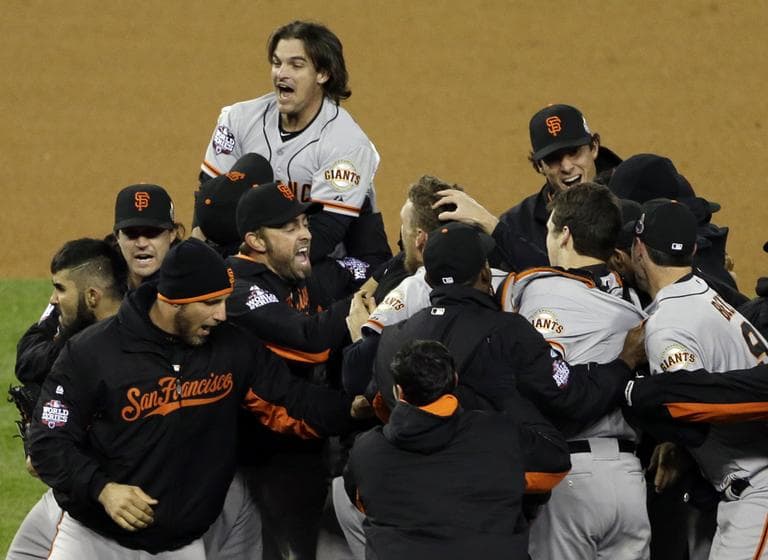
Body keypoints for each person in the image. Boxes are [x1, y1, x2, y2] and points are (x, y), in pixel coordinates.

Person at [27, 238, 355, 559]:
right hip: (95, 542)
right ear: (173, 301)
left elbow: (293, 403)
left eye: (224, 301)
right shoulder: (92, 351)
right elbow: (47, 442)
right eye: (210, 303)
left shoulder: (232, 348)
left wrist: (354, 409)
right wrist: (102, 489)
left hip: (180, 546)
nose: (222, 315)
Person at [500, 183, 649, 560]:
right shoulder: (636, 305)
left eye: (550, 229)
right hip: (630, 478)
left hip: (569, 479)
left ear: (564, 234)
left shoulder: (538, 291)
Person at [225, 182, 372, 559]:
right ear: (256, 241)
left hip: (311, 441)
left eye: (304, 223)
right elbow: (311, 341)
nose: (305, 234)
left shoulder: (299, 274)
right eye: (289, 228)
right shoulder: (240, 289)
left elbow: (365, 266)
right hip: (262, 461)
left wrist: (398, 267)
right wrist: (364, 297)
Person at [343, 340, 571, 560]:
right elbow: (556, 463)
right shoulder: (499, 434)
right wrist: (508, 396)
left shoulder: (366, 451)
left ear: (398, 391)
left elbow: (362, 502)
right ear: (454, 379)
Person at [631, 199, 768, 560]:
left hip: (759, 487)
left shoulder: (667, 325)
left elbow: (689, 416)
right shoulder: (709, 296)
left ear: (638, 249)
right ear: (693, 250)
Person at [200, 20, 390, 269]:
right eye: (277, 63)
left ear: (323, 74)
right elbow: (211, 197)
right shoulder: (239, 119)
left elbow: (325, 232)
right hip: (251, 249)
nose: (282, 73)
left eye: (296, 65)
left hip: (325, 261)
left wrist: (256, 266)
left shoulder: (347, 144)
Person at [8, 239, 127, 560]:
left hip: (98, 507)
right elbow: (29, 358)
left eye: (60, 289)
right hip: (71, 494)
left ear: (93, 295)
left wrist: (49, 454)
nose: (52, 298)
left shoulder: (119, 352)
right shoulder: (77, 338)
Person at [434, 103, 621, 271]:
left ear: (594, 147)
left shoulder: (631, 194)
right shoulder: (517, 224)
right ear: (539, 165)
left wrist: (492, 225)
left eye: (574, 152)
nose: (566, 167)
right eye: (553, 159)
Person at [112, 183, 184, 290]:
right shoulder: (104, 289)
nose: (141, 244)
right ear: (117, 236)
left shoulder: (189, 289)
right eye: (131, 233)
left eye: (152, 233)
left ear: (172, 233)